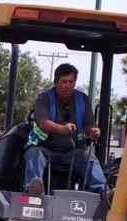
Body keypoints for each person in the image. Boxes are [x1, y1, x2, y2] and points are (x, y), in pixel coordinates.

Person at [22, 62, 106, 195]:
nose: (68, 86)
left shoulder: (82, 100)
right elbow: (43, 122)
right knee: (33, 155)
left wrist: (94, 131)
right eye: (64, 82)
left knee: (90, 160)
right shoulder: (44, 99)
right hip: (45, 149)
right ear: (56, 82)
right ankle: (33, 189)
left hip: (71, 152)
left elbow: (88, 124)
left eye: (71, 82)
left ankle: (103, 193)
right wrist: (62, 129)